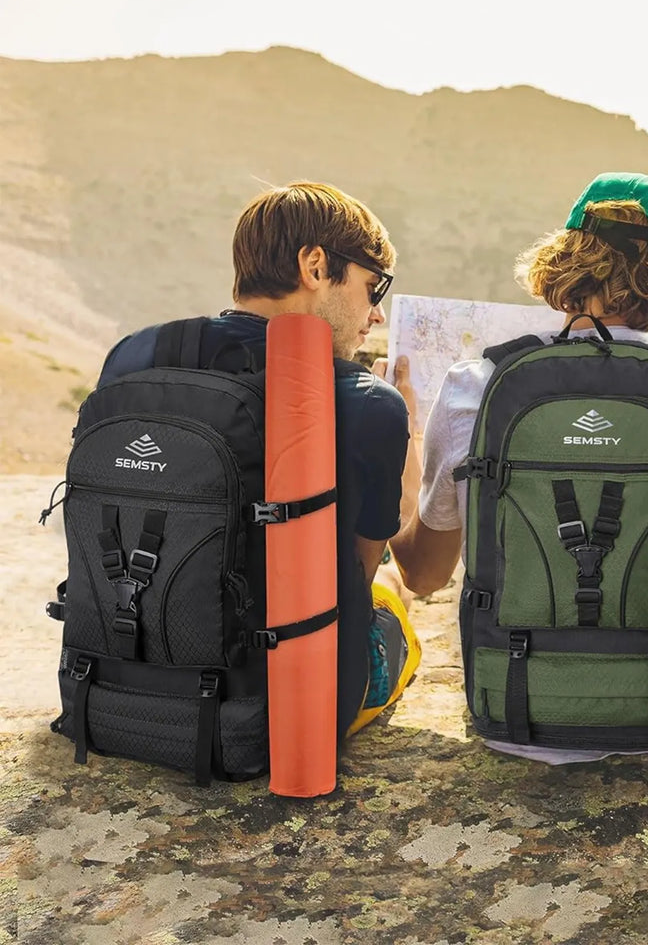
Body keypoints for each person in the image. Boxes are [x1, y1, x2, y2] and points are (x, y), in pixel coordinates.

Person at [384, 171, 648, 761]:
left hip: (513, 712)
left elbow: (423, 576)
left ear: (565, 261)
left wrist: (404, 437)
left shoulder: (473, 387)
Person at [96, 181, 418, 738]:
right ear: (316, 267)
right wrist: (406, 431)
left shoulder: (134, 356)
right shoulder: (366, 402)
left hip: (119, 687)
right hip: (280, 717)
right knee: (391, 594)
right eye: (374, 287)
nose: (377, 316)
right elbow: (355, 581)